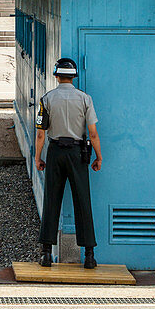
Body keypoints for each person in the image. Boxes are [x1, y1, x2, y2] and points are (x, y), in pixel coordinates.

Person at [35, 57, 102, 269]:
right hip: (77, 152)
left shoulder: (46, 99)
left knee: (51, 200)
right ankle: (89, 255)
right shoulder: (85, 99)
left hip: (55, 151)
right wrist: (98, 157)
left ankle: (46, 253)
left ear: (56, 75)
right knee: (82, 200)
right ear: (74, 76)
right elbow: (92, 133)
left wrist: (38, 158)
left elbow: (40, 134)